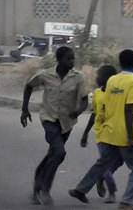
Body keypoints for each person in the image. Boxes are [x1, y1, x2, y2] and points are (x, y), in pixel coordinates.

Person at [69, 49, 133, 210]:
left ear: (119, 62)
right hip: (124, 133)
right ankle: (127, 202)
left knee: (102, 163)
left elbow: (107, 107)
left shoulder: (111, 81)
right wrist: (130, 137)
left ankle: (80, 189)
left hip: (109, 131)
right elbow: (128, 109)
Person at [20, 46, 90, 206]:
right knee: (59, 152)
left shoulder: (78, 77)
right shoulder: (46, 75)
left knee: (53, 154)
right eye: (69, 59)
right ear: (59, 60)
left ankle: (35, 188)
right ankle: (45, 189)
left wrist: (78, 111)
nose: (72, 61)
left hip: (67, 123)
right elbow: (29, 85)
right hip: (49, 119)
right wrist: (24, 109)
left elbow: (85, 99)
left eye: (73, 58)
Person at [80, 65, 123, 204]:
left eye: (100, 75)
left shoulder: (116, 94)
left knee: (120, 160)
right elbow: (94, 114)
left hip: (116, 133)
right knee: (104, 163)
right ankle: (111, 192)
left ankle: (102, 177)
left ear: (109, 79)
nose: (97, 78)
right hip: (102, 134)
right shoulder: (97, 93)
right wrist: (85, 133)